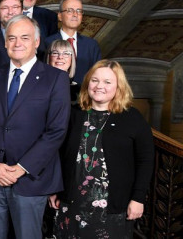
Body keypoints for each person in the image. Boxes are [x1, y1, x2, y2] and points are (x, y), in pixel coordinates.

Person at [0, 14, 71, 238]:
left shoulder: (55, 79)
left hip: (30, 179)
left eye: (24, 38)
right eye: (12, 38)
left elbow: (56, 131)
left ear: (36, 42)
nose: (17, 43)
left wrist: (20, 168)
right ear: (5, 42)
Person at [49, 60, 154, 238]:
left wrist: (138, 198)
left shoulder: (132, 118)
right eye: (95, 80)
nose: (99, 86)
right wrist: (55, 189)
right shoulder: (74, 114)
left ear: (118, 87)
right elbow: (58, 154)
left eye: (107, 82)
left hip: (111, 207)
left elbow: (146, 160)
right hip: (72, 202)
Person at [45, 0, 102, 85]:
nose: (75, 14)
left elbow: (98, 76)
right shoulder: (47, 43)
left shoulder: (91, 45)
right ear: (60, 16)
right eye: (70, 11)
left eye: (79, 11)